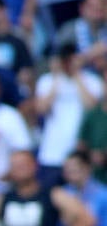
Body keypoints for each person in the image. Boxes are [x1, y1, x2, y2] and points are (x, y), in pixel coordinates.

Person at [34, 44, 103, 184]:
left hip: (80, 153)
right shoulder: (46, 81)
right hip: (52, 153)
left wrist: (77, 73)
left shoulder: (92, 81)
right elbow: (42, 109)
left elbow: (92, 108)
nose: (67, 63)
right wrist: (57, 76)